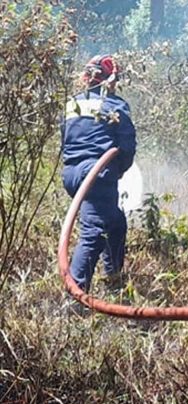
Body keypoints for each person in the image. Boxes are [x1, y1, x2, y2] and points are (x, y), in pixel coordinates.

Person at [61, 55, 137, 291]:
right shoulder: (115, 106)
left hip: (72, 174)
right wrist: (114, 173)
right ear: (109, 80)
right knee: (93, 233)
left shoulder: (71, 104)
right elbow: (126, 148)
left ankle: (113, 279)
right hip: (96, 175)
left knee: (115, 223)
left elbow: (64, 141)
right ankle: (74, 297)